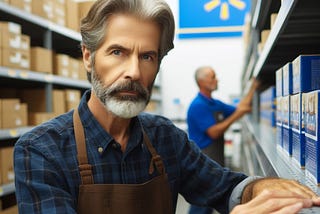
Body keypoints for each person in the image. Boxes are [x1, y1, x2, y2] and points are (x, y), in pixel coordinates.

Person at [13, 0, 320, 214]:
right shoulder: (41, 151)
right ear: (88, 57)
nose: (133, 71)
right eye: (117, 51)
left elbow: (225, 187)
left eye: (147, 56)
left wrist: (262, 188)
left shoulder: (164, 138)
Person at [187, 66, 259, 214]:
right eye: (212, 77)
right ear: (202, 81)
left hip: (214, 161)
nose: (216, 79)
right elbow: (214, 133)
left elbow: (241, 108)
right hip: (201, 165)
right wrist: (236, 116)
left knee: (208, 206)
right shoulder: (198, 105)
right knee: (200, 206)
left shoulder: (214, 103)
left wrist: (253, 87)